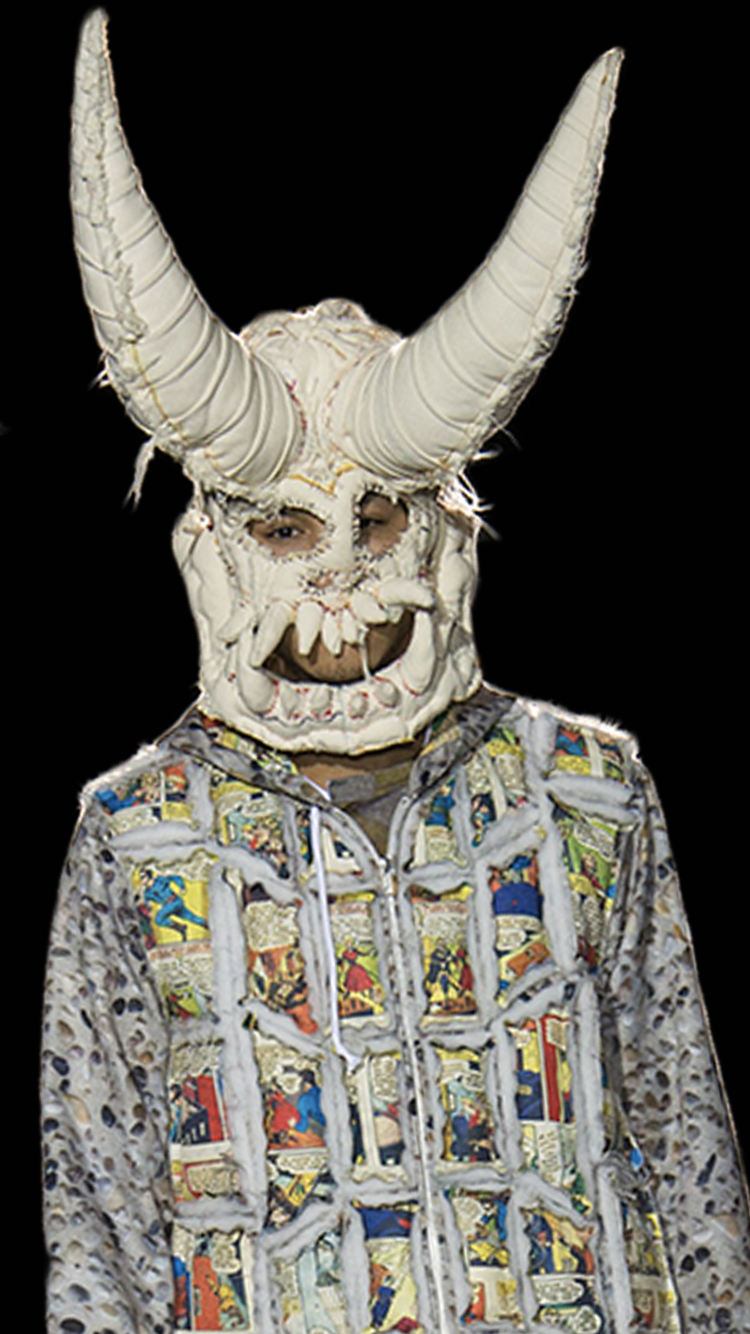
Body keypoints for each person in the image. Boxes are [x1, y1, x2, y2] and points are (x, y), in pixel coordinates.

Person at [40, 10, 748, 1334]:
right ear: (216, 547)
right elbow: (98, 1202)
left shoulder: (590, 794)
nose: (338, 581)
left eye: (377, 520)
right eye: (284, 529)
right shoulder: (133, 836)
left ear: (441, 533)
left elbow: (682, 1145)